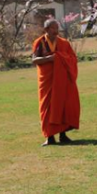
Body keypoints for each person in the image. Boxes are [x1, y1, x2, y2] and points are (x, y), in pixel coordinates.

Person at [31, 18, 81, 146]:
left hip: (62, 81)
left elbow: (72, 59)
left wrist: (60, 58)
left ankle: (63, 135)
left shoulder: (64, 43)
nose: (56, 31)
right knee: (48, 107)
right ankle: (50, 137)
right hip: (47, 82)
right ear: (46, 29)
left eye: (57, 28)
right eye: (53, 28)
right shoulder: (40, 42)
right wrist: (50, 58)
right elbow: (35, 60)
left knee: (63, 106)